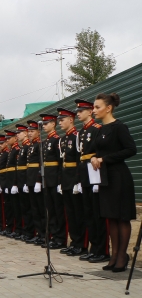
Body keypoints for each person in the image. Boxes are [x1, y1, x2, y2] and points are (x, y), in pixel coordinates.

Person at [91, 93, 137, 272]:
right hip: (105, 178)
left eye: (97, 107)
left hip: (119, 177)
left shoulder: (119, 127)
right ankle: (114, 255)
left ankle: (122, 257)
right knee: (111, 217)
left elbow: (131, 149)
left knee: (122, 217)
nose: (94, 110)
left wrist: (104, 159)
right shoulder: (100, 130)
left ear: (108, 108)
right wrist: (95, 158)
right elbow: (97, 151)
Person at [75, 99, 109, 263]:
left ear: (89, 112)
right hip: (84, 172)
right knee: (88, 213)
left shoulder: (96, 129)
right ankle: (94, 248)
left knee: (98, 213)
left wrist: (98, 180)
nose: (78, 114)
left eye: (81, 111)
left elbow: (99, 153)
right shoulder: (82, 132)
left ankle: (102, 250)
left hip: (94, 172)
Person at [56, 108, 87, 256]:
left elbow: (78, 160)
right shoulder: (63, 139)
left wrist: (78, 180)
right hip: (66, 179)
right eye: (59, 120)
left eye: (62, 120)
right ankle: (74, 242)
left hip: (75, 178)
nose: (60, 123)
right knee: (70, 213)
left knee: (78, 213)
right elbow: (62, 162)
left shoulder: (76, 136)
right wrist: (61, 182)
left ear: (71, 120)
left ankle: (81, 244)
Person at [39, 114, 66, 249]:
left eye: (46, 123)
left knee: (58, 210)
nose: (44, 126)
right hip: (48, 181)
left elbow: (60, 162)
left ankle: (61, 238)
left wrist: (60, 181)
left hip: (55, 180)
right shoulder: (46, 141)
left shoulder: (57, 140)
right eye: (43, 124)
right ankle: (54, 236)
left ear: (53, 124)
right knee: (51, 211)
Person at [25, 120, 46, 245]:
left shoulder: (40, 145)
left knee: (41, 209)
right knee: (34, 209)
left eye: (32, 131)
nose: (30, 133)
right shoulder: (31, 146)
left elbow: (41, 164)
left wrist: (38, 180)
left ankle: (44, 234)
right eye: (29, 131)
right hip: (31, 180)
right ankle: (39, 233)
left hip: (37, 181)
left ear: (38, 132)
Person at [15, 125, 33, 241]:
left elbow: (29, 167)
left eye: (20, 133)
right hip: (22, 181)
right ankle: (27, 231)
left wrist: (27, 182)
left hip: (27, 181)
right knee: (24, 208)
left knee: (29, 208)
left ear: (25, 133)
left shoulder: (27, 147)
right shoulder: (23, 148)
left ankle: (30, 232)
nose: (18, 135)